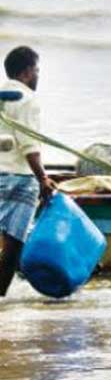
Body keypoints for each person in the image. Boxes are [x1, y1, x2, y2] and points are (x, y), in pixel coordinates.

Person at [0, 46, 57, 296]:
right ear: (26, 72)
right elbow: (29, 145)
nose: (38, 76)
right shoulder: (27, 100)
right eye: (36, 70)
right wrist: (42, 177)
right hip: (19, 179)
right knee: (13, 245)